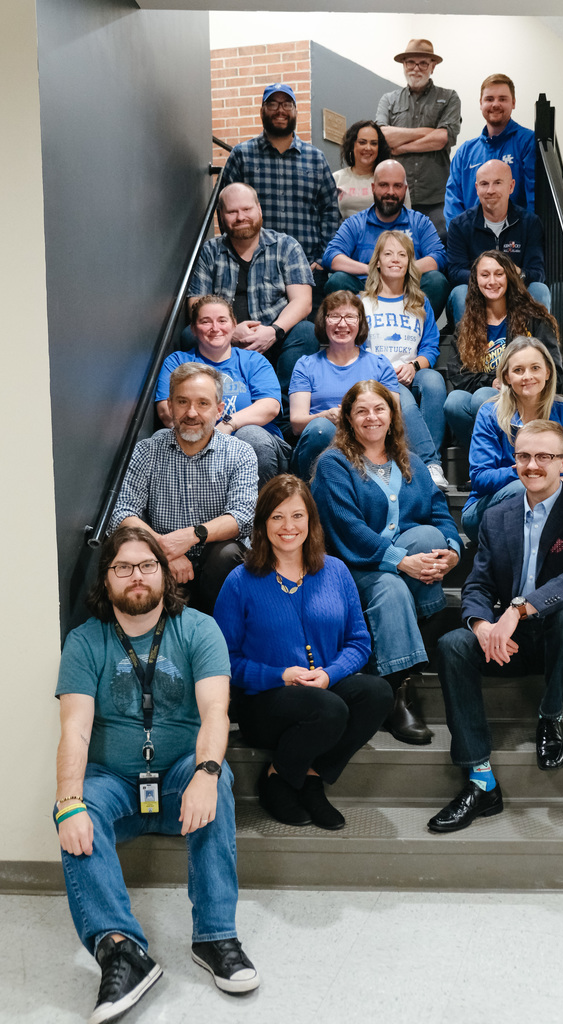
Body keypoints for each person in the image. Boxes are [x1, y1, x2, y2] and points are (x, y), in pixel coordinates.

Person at [54, 526, 259, 1023]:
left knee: (216, 775)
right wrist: (67, 802)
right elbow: (75, 730)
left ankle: (215, 937)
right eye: (122, 567)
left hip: (178, 780)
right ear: (106, 580)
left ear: (166, 575)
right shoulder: (85, 641)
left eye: (147, 565)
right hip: (115, 785)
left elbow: (215, 712)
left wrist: (207, 773)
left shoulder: (199, 629)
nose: (136, 576)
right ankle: (121, 949)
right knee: (75, 803)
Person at [428, 421, 563, 834]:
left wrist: (518, 610)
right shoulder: (497, 516)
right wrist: (480, 625)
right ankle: (481, 780)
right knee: (452, 644)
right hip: (511, 643)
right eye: (525, 456)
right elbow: (477, 584)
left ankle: (551, 714)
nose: (533, 465)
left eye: (544, 457)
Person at [214, 475, 392, 830]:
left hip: (323, 688)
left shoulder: (336, 571)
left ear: (310, 521)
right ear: (263, 524)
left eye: (297, 516)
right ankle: (277, 782)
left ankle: (303, 776)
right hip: (265, 702)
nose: (288, 526)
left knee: (377, 693)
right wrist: (280, 675)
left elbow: (359, 643)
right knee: (328, 709)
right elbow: (223, 661)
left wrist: (329, 674)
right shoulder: (240, 581)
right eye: (277, 517)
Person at [311, 380, 461, 746]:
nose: (371, 417)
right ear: (348, 418)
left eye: (379, 409)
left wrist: (453, 550)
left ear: (393, 415)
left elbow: (440, 513)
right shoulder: (334, 463)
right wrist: (401, 561)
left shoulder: (409, 460)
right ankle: (398, 693)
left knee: (430, 538)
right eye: (361, 410)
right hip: (351, 565)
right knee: (392, 587)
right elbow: (348, 528)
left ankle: (391, 672)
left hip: (402, 559)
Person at [109, 363, 257, 614]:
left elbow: (242, 517)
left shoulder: (239, 453)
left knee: (227, 553)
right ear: (169, 406)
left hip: (219, 564)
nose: (191, 413)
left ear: (219, 410)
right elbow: (121, 512)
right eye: (182, 402)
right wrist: (165, 549)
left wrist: (190, 537)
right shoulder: (148, 451)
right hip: (165, 565)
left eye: (202, 403)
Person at [288, 291, 446, 488]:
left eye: (350, 317)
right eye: (334, 316)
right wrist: (326, 415)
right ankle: (313, 497)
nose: (342, 324)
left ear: (361, 322)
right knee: (320, 429)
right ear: (324, 321)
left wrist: (355, 420)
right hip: (321, 445)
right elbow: (297, 422)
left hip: (368, 443)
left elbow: (392, 416)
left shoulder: (379, 365)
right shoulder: (306, 365)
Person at [187, 183, 318, 418]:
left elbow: (303, 302)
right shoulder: (210, 251)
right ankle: (208, 409)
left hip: (276, 338)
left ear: (259, 209)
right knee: (188, 334)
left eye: (247, 209)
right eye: (233, 212)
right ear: (222, 216)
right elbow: (196, 306)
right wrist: (229, 332)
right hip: (226, 339)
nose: (241, 217)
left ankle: (285, 416)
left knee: (306, 332)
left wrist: (274, 331)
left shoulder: (286, 246)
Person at [220, 83, 340, 309]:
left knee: (307, 334)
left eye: (286, 104)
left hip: (307, 269)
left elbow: (330, 211)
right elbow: (224, 209)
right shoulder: (242, 155)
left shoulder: (315, 158)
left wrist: (322, 258)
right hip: (254, 268)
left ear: (295, 111)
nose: (280, 110)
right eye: (272, 104)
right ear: (262, 111)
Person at [460, 335, 563, 543]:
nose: (527, 376)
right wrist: (528, 473)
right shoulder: (489, 412)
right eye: (518, 370)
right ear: (507, 377)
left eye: (535, 368)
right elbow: (480, 478)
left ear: (548, 372)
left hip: (545, 505)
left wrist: (538, 479)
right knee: (523, 489)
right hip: (485, 510)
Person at [156, 295, 290, 486]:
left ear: (234, 325)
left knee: (251, 435)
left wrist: (228, 425)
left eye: (222, 320)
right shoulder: (178, 361)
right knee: (161, 438)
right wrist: (210, 439)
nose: (215, 328)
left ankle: (257, 513)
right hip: (196, 442)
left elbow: (270, 407)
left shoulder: (253, 360)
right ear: (193, 329)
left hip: (257, 445)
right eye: (205, 321)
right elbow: (166, 412)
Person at [445, 251, 562, 450]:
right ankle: (487, 457)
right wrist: (492, 381)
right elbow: (459, 375)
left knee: (483, 398)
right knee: (455, 402)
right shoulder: (467, 327)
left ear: (509, 276)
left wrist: (512, 382)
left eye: (499, 274)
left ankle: (510, 457)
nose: (492, 281)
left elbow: (553, 368)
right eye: (485, 275)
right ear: (476, 281)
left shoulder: (534, 319)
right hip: (486, 393)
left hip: (524, 396)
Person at [321, 159, 449, 320]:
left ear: (405, 189)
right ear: (373, 188)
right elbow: (331, 256)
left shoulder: (420, 222)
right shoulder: (355, 223)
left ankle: (417, 331)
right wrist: (372, 270)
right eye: (384, 185)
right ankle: (357, 334)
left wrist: (402, 270)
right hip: (366, 290)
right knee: (338, 281)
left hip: (408, 293)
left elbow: (438, 256)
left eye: (397, 186)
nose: (391, 192)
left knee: (437, 281)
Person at [362, 230, 447, 462]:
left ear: (409, 262)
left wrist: (414, 366)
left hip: (411, 371)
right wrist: (385, 371)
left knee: (434, 380)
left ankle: (431, 463)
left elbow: (431, 346)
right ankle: (428, 463)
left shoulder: (419, 302)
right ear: (377, 262)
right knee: (404, 398)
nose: (395, 259)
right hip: (378, 377)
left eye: (402, 254)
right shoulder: (364, 303)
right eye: (388, 254)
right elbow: (355, 351)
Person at [375, 38, 461, 241]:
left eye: (423, 63)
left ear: (433, 66)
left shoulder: (449, 98)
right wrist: (427, 131)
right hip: (396, 196)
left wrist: (401, 148)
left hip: (436, 197)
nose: (416, 68)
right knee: (394, 250)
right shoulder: (389, 100)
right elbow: (383, 137)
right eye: (411, 62)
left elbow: (442, 138)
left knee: (440, 248)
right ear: (404, 65)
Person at [446, 159, 550, 323]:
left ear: (511, 186)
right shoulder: (459, 225)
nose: (490, 190)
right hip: (477, 292)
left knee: (539, 289)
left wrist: (507, 277)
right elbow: (455, 272)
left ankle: (534, 347)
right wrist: (488, 278)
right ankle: (470, 347)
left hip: (516, 291)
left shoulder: (530, 223)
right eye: (484, 184)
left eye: (497, 183)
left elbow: (537, 272)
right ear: (476, 188)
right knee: (460, 292)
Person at [444, 73, 536, 225]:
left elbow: (535, 198)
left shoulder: (527, 142)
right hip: (472, 243)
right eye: (489, 99)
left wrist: (528, 236)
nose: (495, 104)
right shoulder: (465, 152)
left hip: (514, 241)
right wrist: (460, 238)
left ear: (513, 103)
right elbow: (453, 202)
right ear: (481, 103)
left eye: (502, 99)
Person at [333, 119, 409, 220]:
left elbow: (407, 216)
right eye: (362, 142)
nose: (368, 148)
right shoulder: (336, 179)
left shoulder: (393, 178)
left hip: (387, 234)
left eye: (373, 143)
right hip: (347, 234)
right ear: (352, 145)